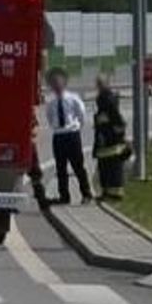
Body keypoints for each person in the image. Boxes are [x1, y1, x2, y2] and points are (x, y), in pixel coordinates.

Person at [45, 67, 93, 205]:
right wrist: (57, 128)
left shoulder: (73, 98)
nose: (56, 85)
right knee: (61, 168)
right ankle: (64, 196)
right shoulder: (51, 103)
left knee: (78, 166)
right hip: (59, 136)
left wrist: (76, 127)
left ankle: (86, 194)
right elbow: (50, 118)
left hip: (72, 135)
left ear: (64, 83)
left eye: (59, 82)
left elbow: (81, 114)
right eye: (54, 83)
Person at [92, 76, 129, 200]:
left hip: (108, 138)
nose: (98, 86)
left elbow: (113, 116)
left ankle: (112, 192)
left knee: (109, 167)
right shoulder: (109, 97)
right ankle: (111, 192)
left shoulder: (106, 98)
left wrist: (117, 128)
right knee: (109, 167)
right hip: (108, 138)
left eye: (100, 84)